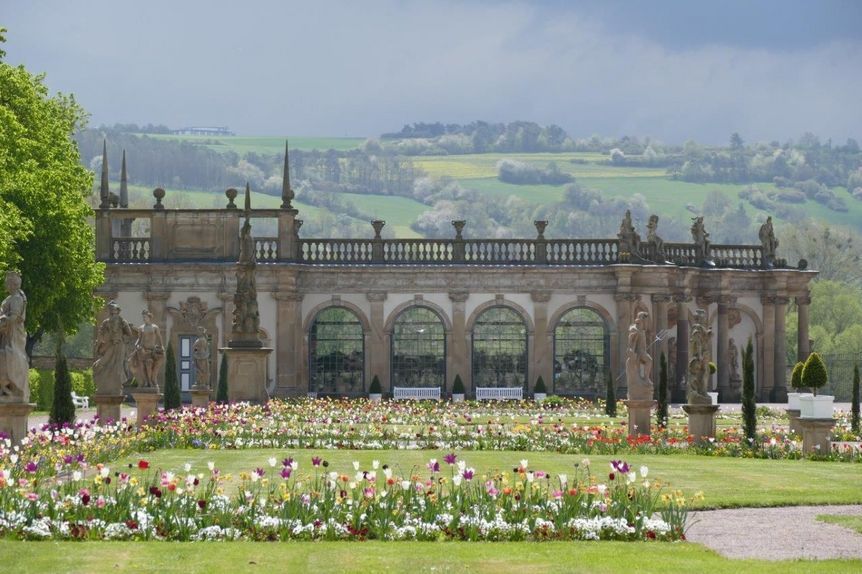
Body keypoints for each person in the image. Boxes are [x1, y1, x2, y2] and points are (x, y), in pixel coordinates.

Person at [0, 271, 29, 401]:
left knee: (10, 356)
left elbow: (14, 317)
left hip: (13, 334)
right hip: (7, 333)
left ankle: (12, 387)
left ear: (13, 284)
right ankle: (6, 388)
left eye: (7, 282)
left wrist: (2, 321)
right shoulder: (10, 298)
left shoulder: (17, 298)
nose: (5, 284)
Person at [93, 300, 134, 392]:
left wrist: (123, 337)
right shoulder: (107, 322)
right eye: (111, 309)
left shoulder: (122, 321)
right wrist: (99, 344)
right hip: (110, 345)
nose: (113, 311)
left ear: (117, 310)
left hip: (119, 345)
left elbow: (129, 334)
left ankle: (116, 386)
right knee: (103, 363)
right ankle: (104, 385)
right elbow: (100, 333)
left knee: (117, 366)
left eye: (114, 309)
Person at [128, 309, 165, 390]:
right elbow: (139, 338)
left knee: (149, 366)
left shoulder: (155, 327)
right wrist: (136, 344)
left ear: (149, 317)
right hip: (142, 350)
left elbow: (159, 337)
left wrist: (161, 346)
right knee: (142, 367)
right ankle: (145, 382)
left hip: (151, 350)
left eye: (145, 317)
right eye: (143, 317)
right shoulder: (141, 328)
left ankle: (150, 382)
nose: (144, 319)